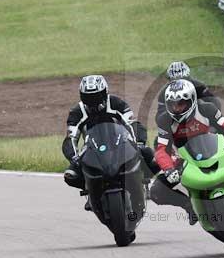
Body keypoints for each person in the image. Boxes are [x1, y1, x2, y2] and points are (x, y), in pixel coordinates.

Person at [150, 79, 224, 225]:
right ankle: (189, 206)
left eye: (181, 103)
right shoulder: (164, 120)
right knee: (155, 191)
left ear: (192, 100)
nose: (177, 108)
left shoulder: (207, 109)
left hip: (213, 149)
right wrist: (168, 169)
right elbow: (161, 149)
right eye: (173, 104)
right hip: (185, 159)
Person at [62, 75, 155, 209]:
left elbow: (131, 123)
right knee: (70, 175)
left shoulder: (117, 103)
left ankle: (143, 182)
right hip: (91, 147)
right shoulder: (77, 112)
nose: (92, 101)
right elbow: (71, 137)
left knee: (147, 153)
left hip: (120, 141)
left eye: (96, 96)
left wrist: (138, 143)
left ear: (105, 92)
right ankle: (91, 190)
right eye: (88, 97)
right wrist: (74, 157)